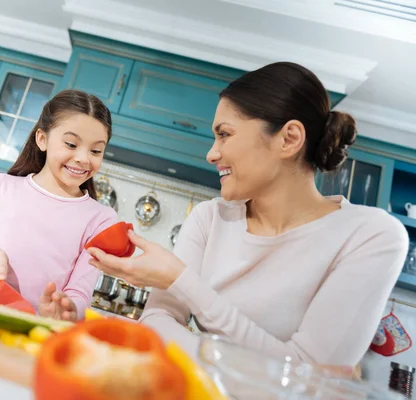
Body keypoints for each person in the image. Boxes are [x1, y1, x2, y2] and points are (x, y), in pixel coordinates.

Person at [87, 62, 409, 366]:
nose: (212, 153)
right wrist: (261, 364)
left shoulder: (371, 235)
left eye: (224, 134)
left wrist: (181, 281)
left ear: (289, 139)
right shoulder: (209, 219)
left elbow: (312, 379)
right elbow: (156, 322)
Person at [0, 90, 118, 321]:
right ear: (42, 139)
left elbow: (79, 295)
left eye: (96, 151)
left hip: (30, 329)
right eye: (71, 144)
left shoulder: (101, 219)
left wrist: (68, 309)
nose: (83, 158)